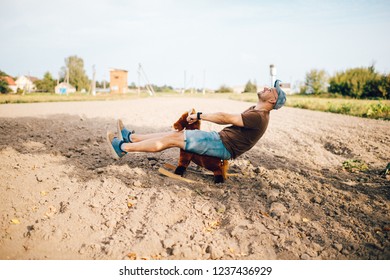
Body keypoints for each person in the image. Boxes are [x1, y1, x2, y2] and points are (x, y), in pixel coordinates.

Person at [107, 80, 286, 160]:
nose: (266, 87)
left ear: (272, 101)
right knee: (175, 134)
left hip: (222, 146)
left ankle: (122, 148)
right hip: (220, 141)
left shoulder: (259, 117)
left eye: (271, 90)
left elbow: (224, 118)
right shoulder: (256, 111)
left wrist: (199, 115)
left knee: (172, 139)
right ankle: (131, 138)